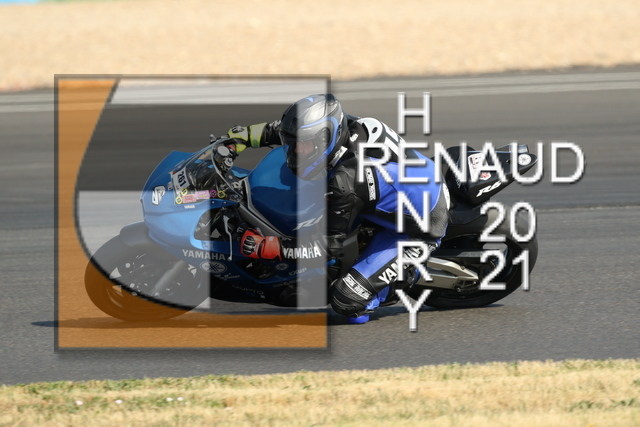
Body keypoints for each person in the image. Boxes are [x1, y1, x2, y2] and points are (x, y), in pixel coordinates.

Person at [225, 94, 449, 323]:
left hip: (421, 226)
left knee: (347, 302)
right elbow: (286, 130)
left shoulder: (346, 181)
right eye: (293, 144)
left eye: (303, 146)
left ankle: (405, 275)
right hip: (407, 186)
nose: (295, 151)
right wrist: (246, 136)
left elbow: (324, 250)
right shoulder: (340, 124)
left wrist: (272, 248)